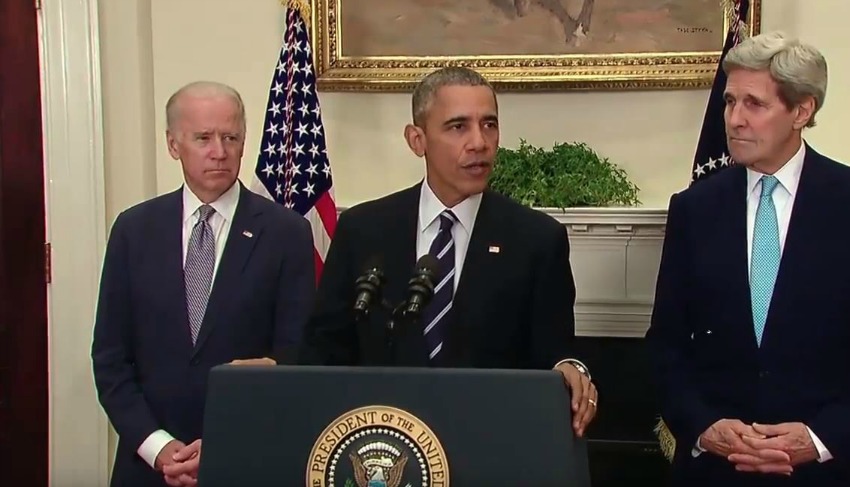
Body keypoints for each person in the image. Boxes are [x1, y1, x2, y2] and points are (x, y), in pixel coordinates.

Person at [299, 66, 598, 435]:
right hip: (384, 446)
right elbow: (324, 350)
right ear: (417, 140)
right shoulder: (363, 230)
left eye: (489, 125)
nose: (479, 142)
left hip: (491, 444)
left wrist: (573, 369)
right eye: (458, 127)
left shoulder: (537, 239)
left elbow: (556, 356)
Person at [646, 31, 850, 486]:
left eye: (754, 105)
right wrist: (704, 427)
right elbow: (665, 346)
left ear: (802, 110)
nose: (734, 119)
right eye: (729, 102)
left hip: (827, 470)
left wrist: (819, 439)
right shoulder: (694, 209)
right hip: (715, 470)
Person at [91, 81, 316, 487]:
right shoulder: (134, 229)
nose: (220, 151)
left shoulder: (287, 233)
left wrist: (225, 442)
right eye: (203, 138)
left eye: (230, 137)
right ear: (173, 144)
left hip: (247, 462)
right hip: (147, 467)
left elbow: (297, 356)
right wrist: (158, 447)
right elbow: (111, 359)